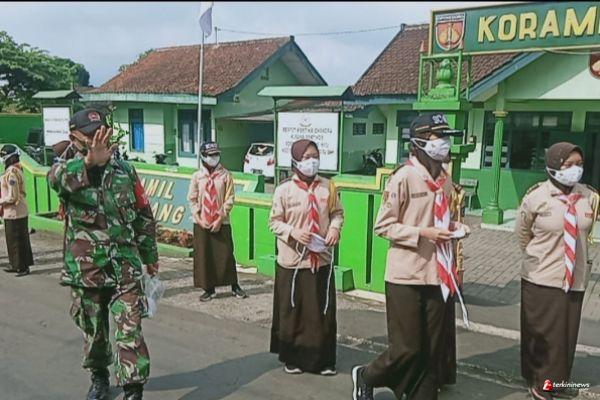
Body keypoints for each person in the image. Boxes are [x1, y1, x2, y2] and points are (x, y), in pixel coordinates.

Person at [352, 112, 470, 400]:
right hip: (406, 274)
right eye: (438, 137)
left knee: (431, 346)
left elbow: (441, 219)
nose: (445, 144)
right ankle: (367, 375)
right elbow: (383, 226)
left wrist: (454, 229)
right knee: (407, 347)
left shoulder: (444, 179)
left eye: (447, 138)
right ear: (419, 142)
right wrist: (423, 233)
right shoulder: (403, 178)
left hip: (438, 273)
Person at [47, 108, 159, 400]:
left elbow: (143, 214)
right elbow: (55, 180)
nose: (99, 139)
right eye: (91, 135)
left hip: (125, 268)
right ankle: (99, 378)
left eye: (102, 133)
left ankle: (133, 389)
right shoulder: (67, 170)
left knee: (130, 330)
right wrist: (89, 162)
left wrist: (150, 256)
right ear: (75, 137)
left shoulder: (125, 171)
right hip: (87, 271)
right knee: (94, 331)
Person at [516, 142, 599, 400]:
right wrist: (540, 257)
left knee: (565, 336)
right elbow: (522, 233)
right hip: (541, 276)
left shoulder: (589, 197)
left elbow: (586, 231)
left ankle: (555, 382)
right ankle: (540, 384)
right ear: (553, 166)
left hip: (574, 278)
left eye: (579, 164)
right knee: (542, 335)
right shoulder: (536, 197)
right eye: (569, 164)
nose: (576, 169)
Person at [269, 139, 344, 376]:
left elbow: (337, 213)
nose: (312, 161)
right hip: (293, 260)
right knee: (295, 310)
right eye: (307, 157)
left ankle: (324, 360)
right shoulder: (283, 190)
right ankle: (293, 358)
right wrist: (293, 232)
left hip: (320, 259)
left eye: (316, 156)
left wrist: (334, 229)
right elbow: (274, 222)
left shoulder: (328, 187)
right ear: (295, 160)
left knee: (321, 310)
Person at [187, 141, 248, 302]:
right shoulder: (197, 177)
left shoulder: (225, 175)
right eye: (210, 155)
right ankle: (209, 289)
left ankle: (234, 286)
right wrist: (199, 218)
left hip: (221, 221)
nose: (214, 158)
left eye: (216, 154)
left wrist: (220, 217)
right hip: (202, 222)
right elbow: (192, 199)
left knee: (226, 254)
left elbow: (230, 198)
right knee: (204, 255)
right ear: (203, 157)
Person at [0, 144, 33, 277]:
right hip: (17, 211)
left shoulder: (11, 173)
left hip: (14, 212)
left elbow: (12, 197)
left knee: (16, 241)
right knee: (17, 240)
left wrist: (1, 202)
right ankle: (16, 265)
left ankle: (21, 267)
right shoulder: (17, 170)